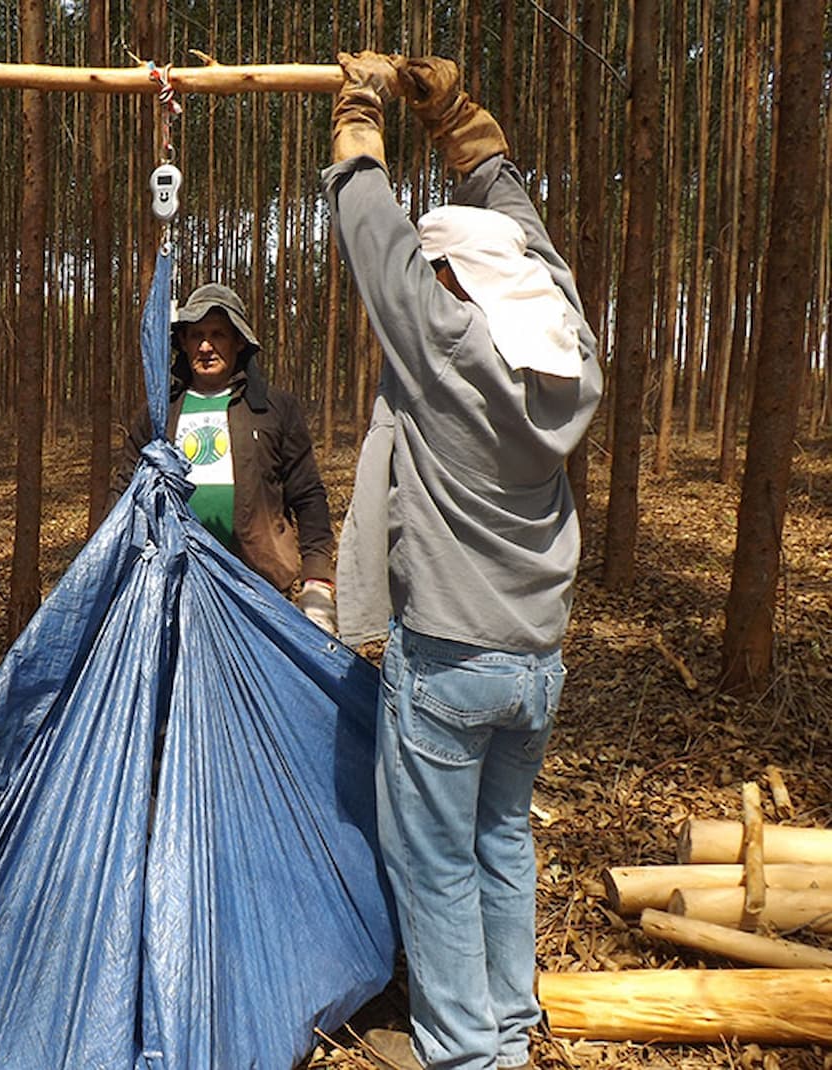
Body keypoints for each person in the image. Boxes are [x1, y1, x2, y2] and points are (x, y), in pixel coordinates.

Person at [323, 52, 603, 1070]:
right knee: (502, 841)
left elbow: (371, 228)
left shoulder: (451, 352)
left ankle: (466, 1054)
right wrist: (459, 120)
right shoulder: (566, 344)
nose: (433, 285)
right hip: (535, 662)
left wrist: (359, 111)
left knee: (435, 858)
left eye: (443, 275)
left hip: (447, 659)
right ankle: (509, 1024)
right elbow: (527, 239)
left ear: (455, 283)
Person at [112, 282, 337, 631]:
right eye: (196, 335)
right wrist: (105, 565)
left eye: (218, 334)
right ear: (183, 344)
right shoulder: (159, 413)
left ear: (238, 342)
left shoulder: (275, 409)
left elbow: (307, 495)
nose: (205, 346)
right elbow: (124, 491)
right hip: (175, 586)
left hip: (259, 588)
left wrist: (317, 581)